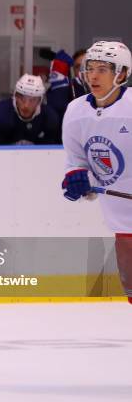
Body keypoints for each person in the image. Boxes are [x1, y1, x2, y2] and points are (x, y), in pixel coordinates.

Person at [61, 40, 132, 305]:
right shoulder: (75, 111)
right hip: (121, 220)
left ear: (122, 74)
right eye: (90, 67)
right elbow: (77, 160)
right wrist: (78, 178)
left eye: (103, 68)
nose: (93, 75)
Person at [0, 74, 60, 145]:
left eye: (32, 100)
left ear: (40, 100)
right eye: (22, 98)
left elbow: (49, 154)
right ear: (15, 96)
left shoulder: (50, 118)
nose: (26, 105)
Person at [46, 49, 88, 124]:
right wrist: (58, 81)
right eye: (78, 67)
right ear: (73, 70)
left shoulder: (105, 89)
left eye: (86, 65)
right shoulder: (66, 88)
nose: (82, 70)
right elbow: (53, 117)